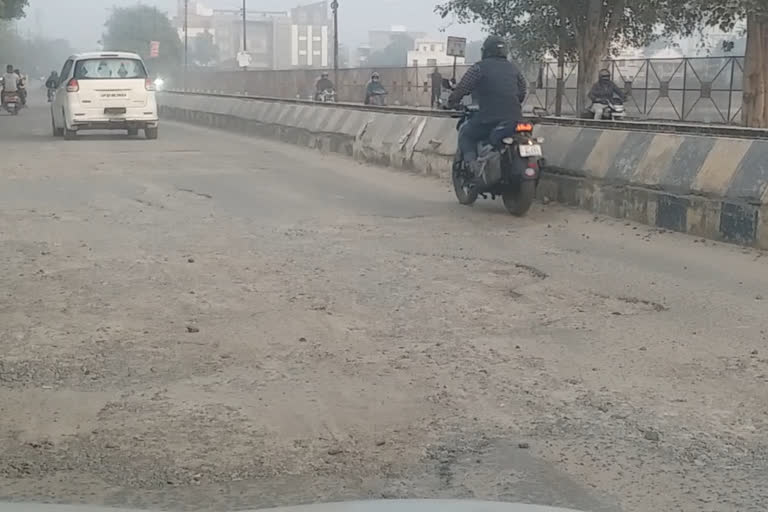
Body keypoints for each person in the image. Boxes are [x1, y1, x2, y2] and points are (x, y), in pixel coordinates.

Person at [447, 35, 527, 174]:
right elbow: (522, 91)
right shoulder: (513, 69)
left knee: (466, 133)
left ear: (486, 51)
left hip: (488, 118)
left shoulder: (479, 68)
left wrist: (452, 102)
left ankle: (472, 166)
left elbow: (463, 88)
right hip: (515, 118)